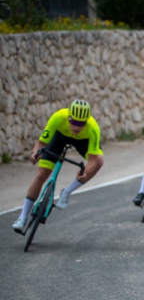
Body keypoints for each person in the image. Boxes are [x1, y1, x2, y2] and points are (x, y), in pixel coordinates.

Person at [12, 100, 104, 233]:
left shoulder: (93, 127)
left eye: (81, 123)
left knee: (99, 161)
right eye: (74, 122)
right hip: (60, 137)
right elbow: (41, 143)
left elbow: (93, 159)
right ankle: (22, 217)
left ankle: (66, 192)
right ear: (68, 117)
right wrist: (35, 154)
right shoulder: (58, 117)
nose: (77, 127)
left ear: (87, 121)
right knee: (41, 174)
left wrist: (86, 172)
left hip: (82, 141)